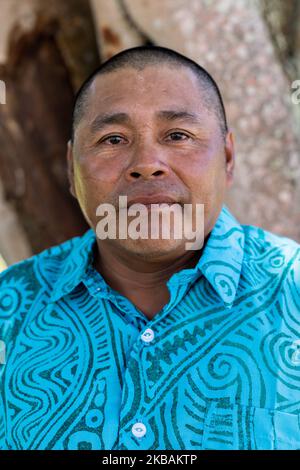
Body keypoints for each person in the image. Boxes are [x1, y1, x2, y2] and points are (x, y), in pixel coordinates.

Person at [0, 45, 299, 451]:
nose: (147, 162)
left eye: (177, 135)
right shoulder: (10, 310)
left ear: (227, 157)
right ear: (72, 170)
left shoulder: (292, 290)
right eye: (113, 139)